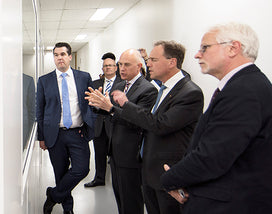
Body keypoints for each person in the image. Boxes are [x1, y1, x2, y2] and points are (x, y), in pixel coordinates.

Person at [160, 22, 272, 214]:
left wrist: (169, 180)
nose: (197, 54)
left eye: (205, 48)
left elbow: (212, 157)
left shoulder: (244, 90)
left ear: (233, 48)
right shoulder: (242, 86)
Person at [87, 41, 204, 214]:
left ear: (172, 62)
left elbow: (157, 124)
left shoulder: (188, 92)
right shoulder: (164, 89)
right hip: (147, 165)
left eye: (153, 59)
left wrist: (119, 106)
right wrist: (101, 105)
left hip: (166, 169)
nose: (148, 63)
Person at [86, 49, 157, 214]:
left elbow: (139, 122)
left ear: (139, 66)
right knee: (120, 198)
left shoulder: (147, 90)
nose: (121, 68)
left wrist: (110, 108)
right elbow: (113, 113)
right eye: (120, 64)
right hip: (116, 153)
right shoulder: (120, 85)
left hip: (131, 155)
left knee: (131, 201)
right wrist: (99, 106)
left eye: (126, 65)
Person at [37, 42, 94, 214]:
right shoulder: (44, 80)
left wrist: (91, 126)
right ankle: (68, 209)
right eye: (56, 55)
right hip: (55, 134)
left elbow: (91, 104)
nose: (59, 58)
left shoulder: (84, 77)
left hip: (78, 132)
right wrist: (42, 136)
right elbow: (40, 110)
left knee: (82, 169)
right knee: (60, 173)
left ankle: (53, 195)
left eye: (63, 54)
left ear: (70, 56)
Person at [84, 52, 122, 188]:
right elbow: (91, 104)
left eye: (111, 65)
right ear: (102, 68)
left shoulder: (122, 83)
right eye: (105, 66)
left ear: (116, 67)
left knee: (116, 155)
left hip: (116, 124)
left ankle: (118, 181)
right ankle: (99, 178)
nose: (108, 68)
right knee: (99, 154)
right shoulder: (96, 83)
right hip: (100, 124)